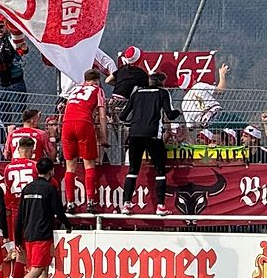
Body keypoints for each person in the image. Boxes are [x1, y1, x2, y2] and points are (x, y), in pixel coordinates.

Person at [8, 157, 72, 278]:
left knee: (42, 266)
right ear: (51, 171)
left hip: (28, 233)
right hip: (42, 233)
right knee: (37, 268)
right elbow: (58, 210)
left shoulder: (27, 188)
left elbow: (20, 215)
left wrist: (17, 237)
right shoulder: (50, 188)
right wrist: (68, 224)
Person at [119, 72, 182, 215]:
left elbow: (123, 115)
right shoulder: (163, 93)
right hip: (153, 133)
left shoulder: (137, 93)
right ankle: (160, 206)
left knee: (133, 170)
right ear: (161, 82)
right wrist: (179, 112)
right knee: (160, 170)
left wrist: (133, 123)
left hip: (135, 133)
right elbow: (170, 114)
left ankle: (126, 204)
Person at [62, 69, 109, 213]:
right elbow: (102, 115)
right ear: (97, 81)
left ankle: (70, 203)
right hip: (83, 123)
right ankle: (90, 202)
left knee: (70, 166)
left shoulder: (75, 89)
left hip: (67, 123)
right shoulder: (98, 90)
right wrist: (103, 136)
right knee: (89, 164)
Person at [3, 137, 38, 278]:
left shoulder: (8, 168)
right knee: (34, 254)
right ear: (30, 150)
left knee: (20, 254)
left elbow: (8, 197)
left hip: (16, 213)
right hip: (32, 212)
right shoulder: (34, 166)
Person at [106, 45, 149, 120]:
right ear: (139, 59)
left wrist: (119, 83)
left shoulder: (122, 69)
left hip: (113, 99)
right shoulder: (141, 74)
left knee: (116, 122)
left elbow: (107, 80)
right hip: (125, 101)